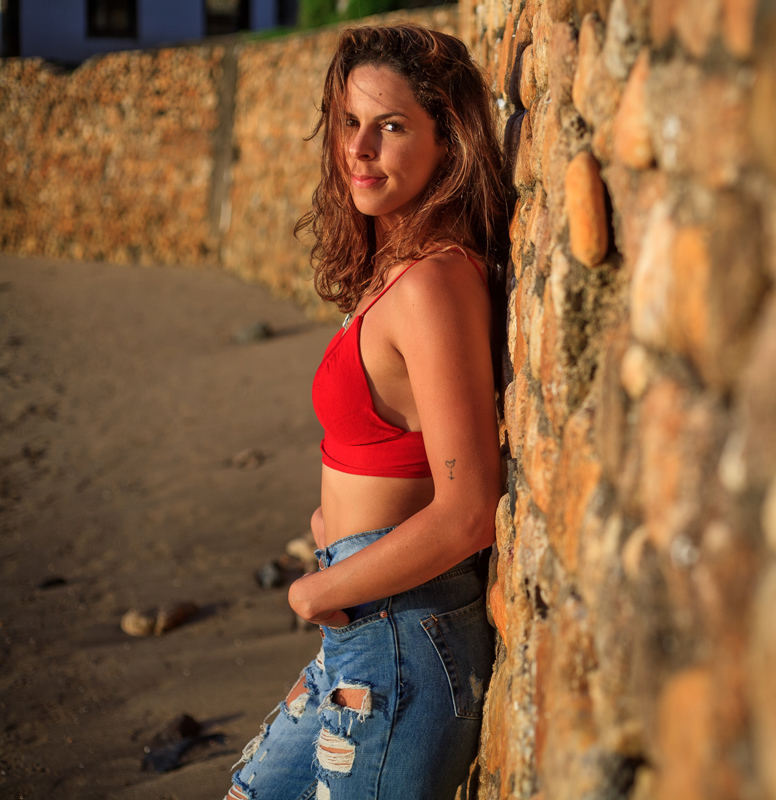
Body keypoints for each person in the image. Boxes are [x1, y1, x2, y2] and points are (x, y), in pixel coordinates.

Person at [228, 23, 508, 800]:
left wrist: (322, 588)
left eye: (390, 127)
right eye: (351, 124)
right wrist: (332, 544)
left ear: (446, 140)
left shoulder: (432, 285)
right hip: (363, 627)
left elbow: (468, 511)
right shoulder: (395, 270)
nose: (359, 150)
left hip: (397, 638)